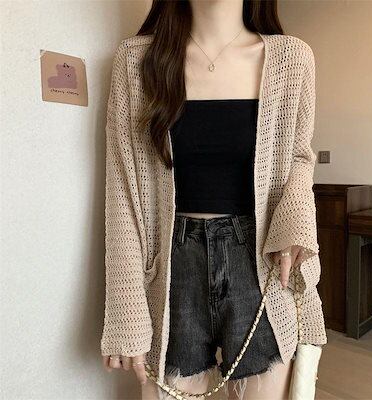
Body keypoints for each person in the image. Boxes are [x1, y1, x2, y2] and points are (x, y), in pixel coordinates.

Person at [100, 0, 328, 399]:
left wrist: (295, 222)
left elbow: (298, 156)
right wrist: (126, 308)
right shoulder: (136, 61)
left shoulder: (292, 58)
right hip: (171, 266)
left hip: (260, 260)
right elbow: (122, 189)